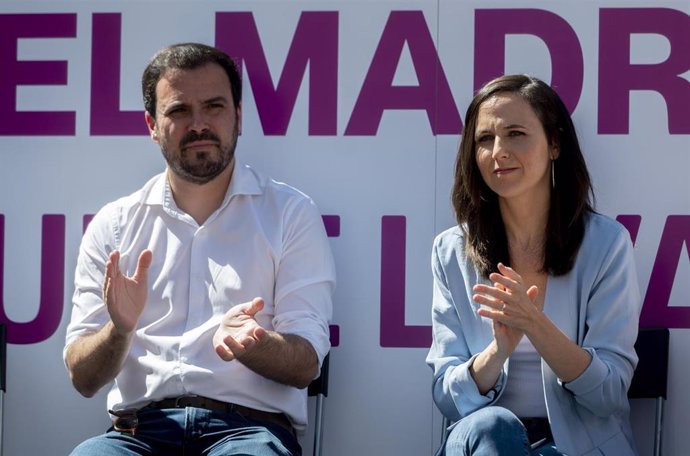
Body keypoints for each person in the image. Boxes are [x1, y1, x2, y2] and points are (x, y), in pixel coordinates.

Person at [64, 42, 335, 456]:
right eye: (178, 111)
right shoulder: (115, 225)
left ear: (238, 118)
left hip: (248, 434)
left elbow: (306, 364)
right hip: (136, 436)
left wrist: (254, 343)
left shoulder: (290, 215)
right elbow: (82, 377)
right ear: (152, 125)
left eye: (214, 107)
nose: (199, 124)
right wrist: (119, 331)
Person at [426, 74, 641, 456]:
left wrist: (535, 325)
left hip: (574, 446)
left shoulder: (606, 244)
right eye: (484, 140)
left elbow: (608, 396)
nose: (498, 152)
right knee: (494, 426)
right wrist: (497, 351)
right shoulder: (451, 249)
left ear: (555, 143)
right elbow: (447, 397)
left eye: (515, 134)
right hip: (481, 442)